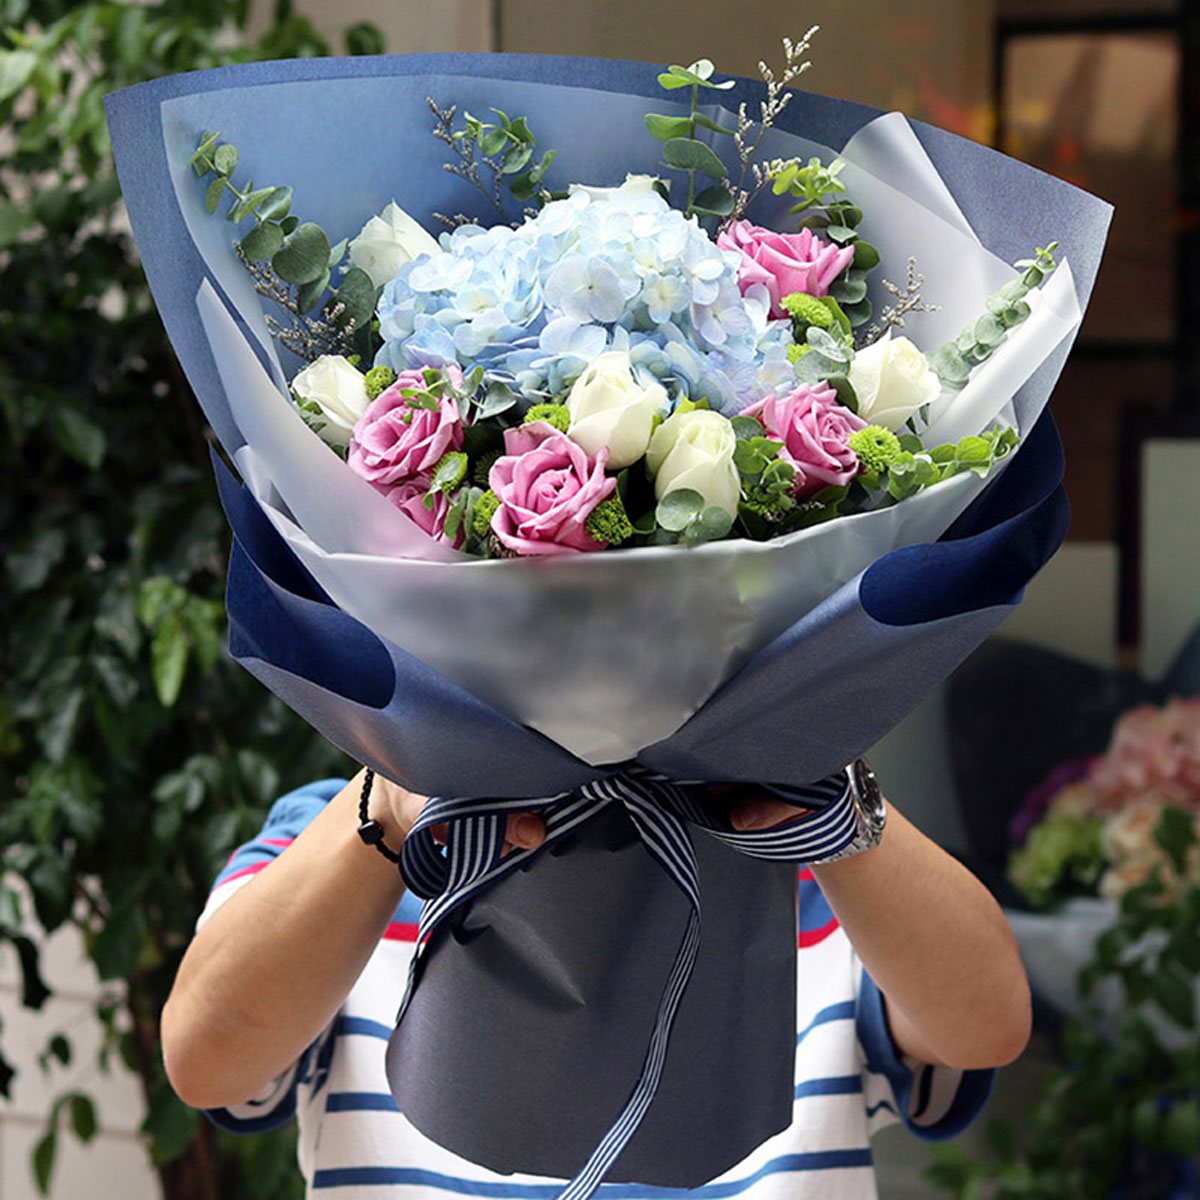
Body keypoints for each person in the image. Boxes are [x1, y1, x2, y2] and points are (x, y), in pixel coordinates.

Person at [161, 767, 1031, 1199]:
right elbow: (209, 1061)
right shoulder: (360, 845)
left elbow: (985, 1026)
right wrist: (390, 804)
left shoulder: (814, 852)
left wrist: (826, 792)